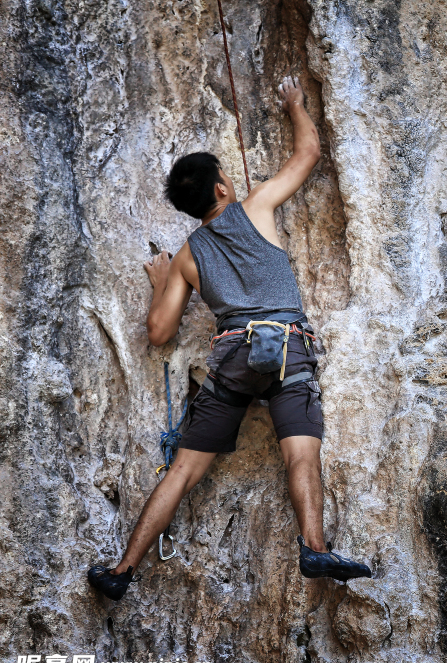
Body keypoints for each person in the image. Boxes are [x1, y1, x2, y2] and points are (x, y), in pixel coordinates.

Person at [87, 76, 371, 601]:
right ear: (222, 187)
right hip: (286, 347)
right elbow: (308, 152)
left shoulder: (188, 255)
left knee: (184, 470)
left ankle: (122, 569)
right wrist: (293, 104)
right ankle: (314, 546)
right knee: (301, 455)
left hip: (235, 355)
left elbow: (159, 332)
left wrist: (164, 282)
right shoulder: (257, 206)